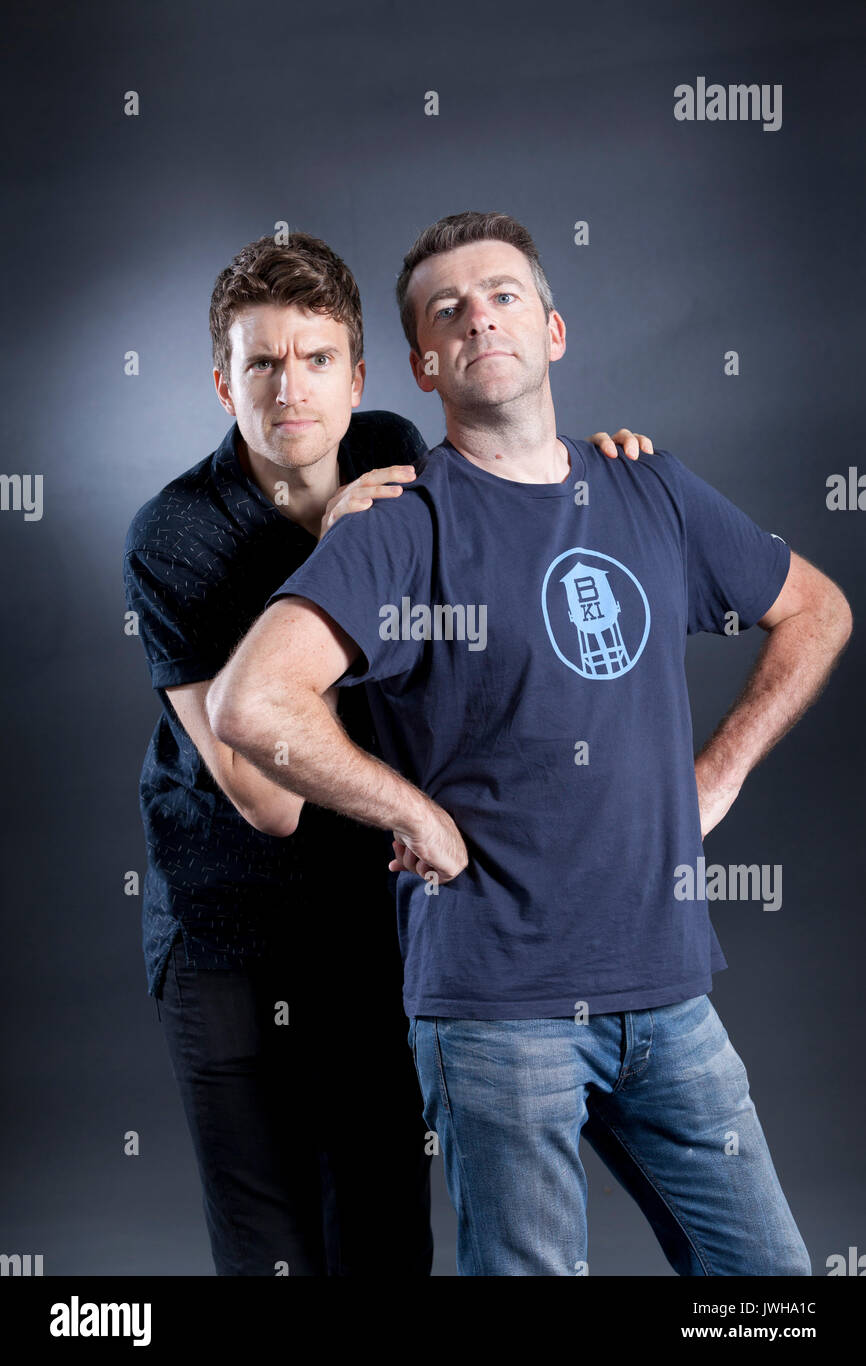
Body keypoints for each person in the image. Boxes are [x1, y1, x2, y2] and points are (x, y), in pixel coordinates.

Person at [206, 210, 853, 1277]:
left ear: (552, 330)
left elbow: (814, 607)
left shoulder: (649, 486)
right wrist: (410, 811)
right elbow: (251, 699)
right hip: (498, 1017)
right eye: (447, 310)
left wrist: (720, 768)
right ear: (419, 364)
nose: (479, 317)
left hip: (669, 993)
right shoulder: (402, 526)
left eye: (503, 294)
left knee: (770, 1290)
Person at [123, 228, 644, 1276]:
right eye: (260, 363)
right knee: (273, 1247)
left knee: (382, 1227)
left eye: (315, 360)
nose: (289, 390)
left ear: (357, 375)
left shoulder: (390, 450)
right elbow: (261, 800)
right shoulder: (173, 532)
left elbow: (512, 529)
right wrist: (333, 559)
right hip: (227, 928)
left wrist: (612, 476)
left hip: (369, 912)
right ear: (220, 382)